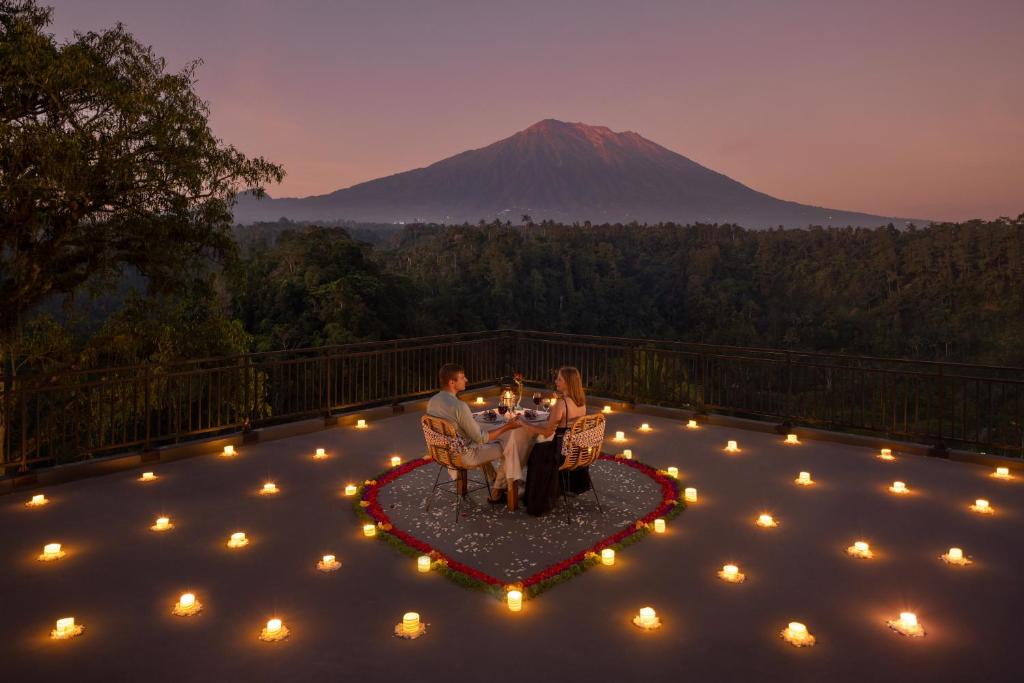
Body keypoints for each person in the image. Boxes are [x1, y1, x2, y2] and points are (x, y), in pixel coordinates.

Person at [425, 363, 521, 503]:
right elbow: (481, 438)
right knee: (509, 446)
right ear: (452, 382)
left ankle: (495, 478)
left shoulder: (433, 401)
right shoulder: (459, 406)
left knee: (480, 442)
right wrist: (508, 426)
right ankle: (500, 490)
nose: (466, 380)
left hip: (443, 452)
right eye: (462, 377)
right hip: (463, 456)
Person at [517, 366, 589, 516]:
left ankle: (537, 498)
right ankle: (552, 489)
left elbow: (547, 432)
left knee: (537, 450)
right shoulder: (581, 401)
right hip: (575, 450)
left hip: (560, 451)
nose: (556, 381)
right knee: (540, 448)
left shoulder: (562, 404)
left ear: (568, 382)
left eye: (559, 379)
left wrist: (524, 424)